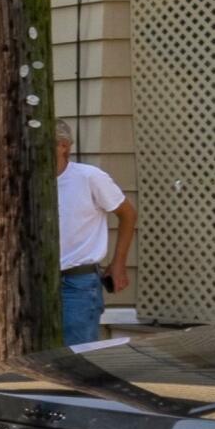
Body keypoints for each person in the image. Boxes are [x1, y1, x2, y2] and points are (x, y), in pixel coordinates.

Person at [55, 120, 135, 347]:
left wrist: (118, 263)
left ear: (63, 146)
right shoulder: (27, 179)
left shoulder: (89, 177)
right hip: (36, 280)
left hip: (77, 280)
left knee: (79, 354)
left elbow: (127, 214)